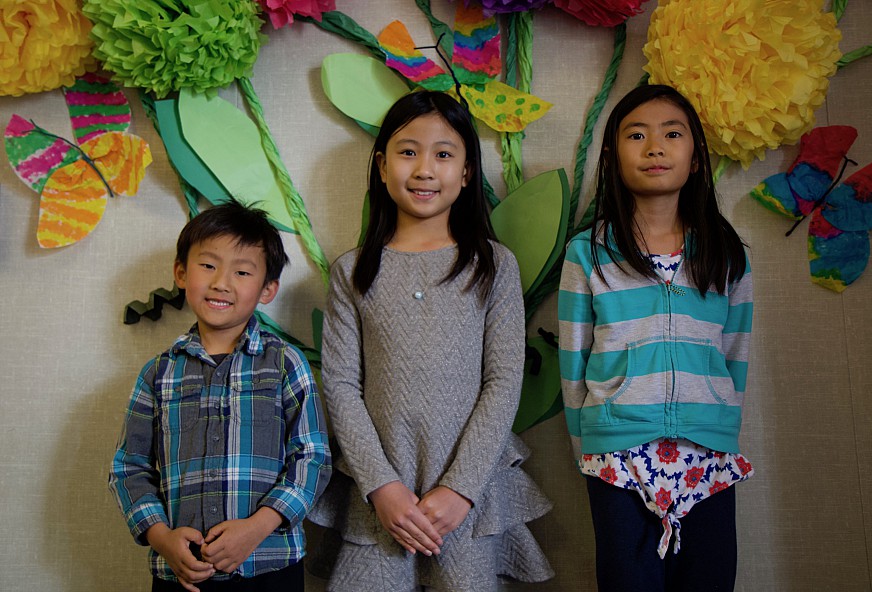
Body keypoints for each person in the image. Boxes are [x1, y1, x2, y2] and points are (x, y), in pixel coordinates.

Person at [308, 90, 553, 591]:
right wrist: (382, 486)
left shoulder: (494, 264)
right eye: (407, 151)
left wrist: (461, 489)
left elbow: (504, 381)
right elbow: (339, 385)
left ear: (466, 172)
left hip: (470, 489)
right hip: (380, 491)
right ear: (381, 166)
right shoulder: (352, 271)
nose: (424, 169)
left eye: (444, 154)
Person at [558, 84, 754, 592]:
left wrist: (722, 422)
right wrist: (591, 443)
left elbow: (735, 351)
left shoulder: (727, 253)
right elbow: (573, 355)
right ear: (612, 155)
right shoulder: (589, 253)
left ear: (695, 158)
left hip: (707, 452)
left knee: (709, 580)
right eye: (636, 135)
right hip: (617, 457)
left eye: (672, 133)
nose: (655, 147)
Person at [109, 201, 331, 592]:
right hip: (182, 572)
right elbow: (128, 468)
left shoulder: (284, 364)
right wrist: (161, 537)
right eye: (208, 266)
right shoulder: (158, 373)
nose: (221, 282)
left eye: (242, 272)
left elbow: (312, 457)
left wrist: (257, 527)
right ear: (181, 272)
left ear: (267, 290)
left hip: (269, 566)